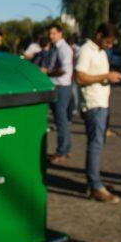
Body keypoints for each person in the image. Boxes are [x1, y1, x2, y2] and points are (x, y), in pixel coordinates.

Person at [74, 22, 121, 203]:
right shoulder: (86, 50)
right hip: (93, 103)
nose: (110, 45)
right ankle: (95, 186)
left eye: (112, 42)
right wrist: (106, 76)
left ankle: (94, 181)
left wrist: (108, 75)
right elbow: (79, 76)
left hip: (101, 102)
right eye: (108, 41)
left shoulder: (99, 51)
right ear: (98, 35)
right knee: (95, 145)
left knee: (98, 143)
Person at [43, 23, 75, 164]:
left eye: (53, 33)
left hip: (61, 87)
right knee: (60, 120)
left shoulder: (64, 49)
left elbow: (64, 70)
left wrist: (47, 73)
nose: (51, 36)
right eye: (49, 34)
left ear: (60, 33)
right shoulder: (55, 48)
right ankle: (65, 149)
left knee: (61, 120)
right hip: (56, 85)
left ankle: (62, 151)